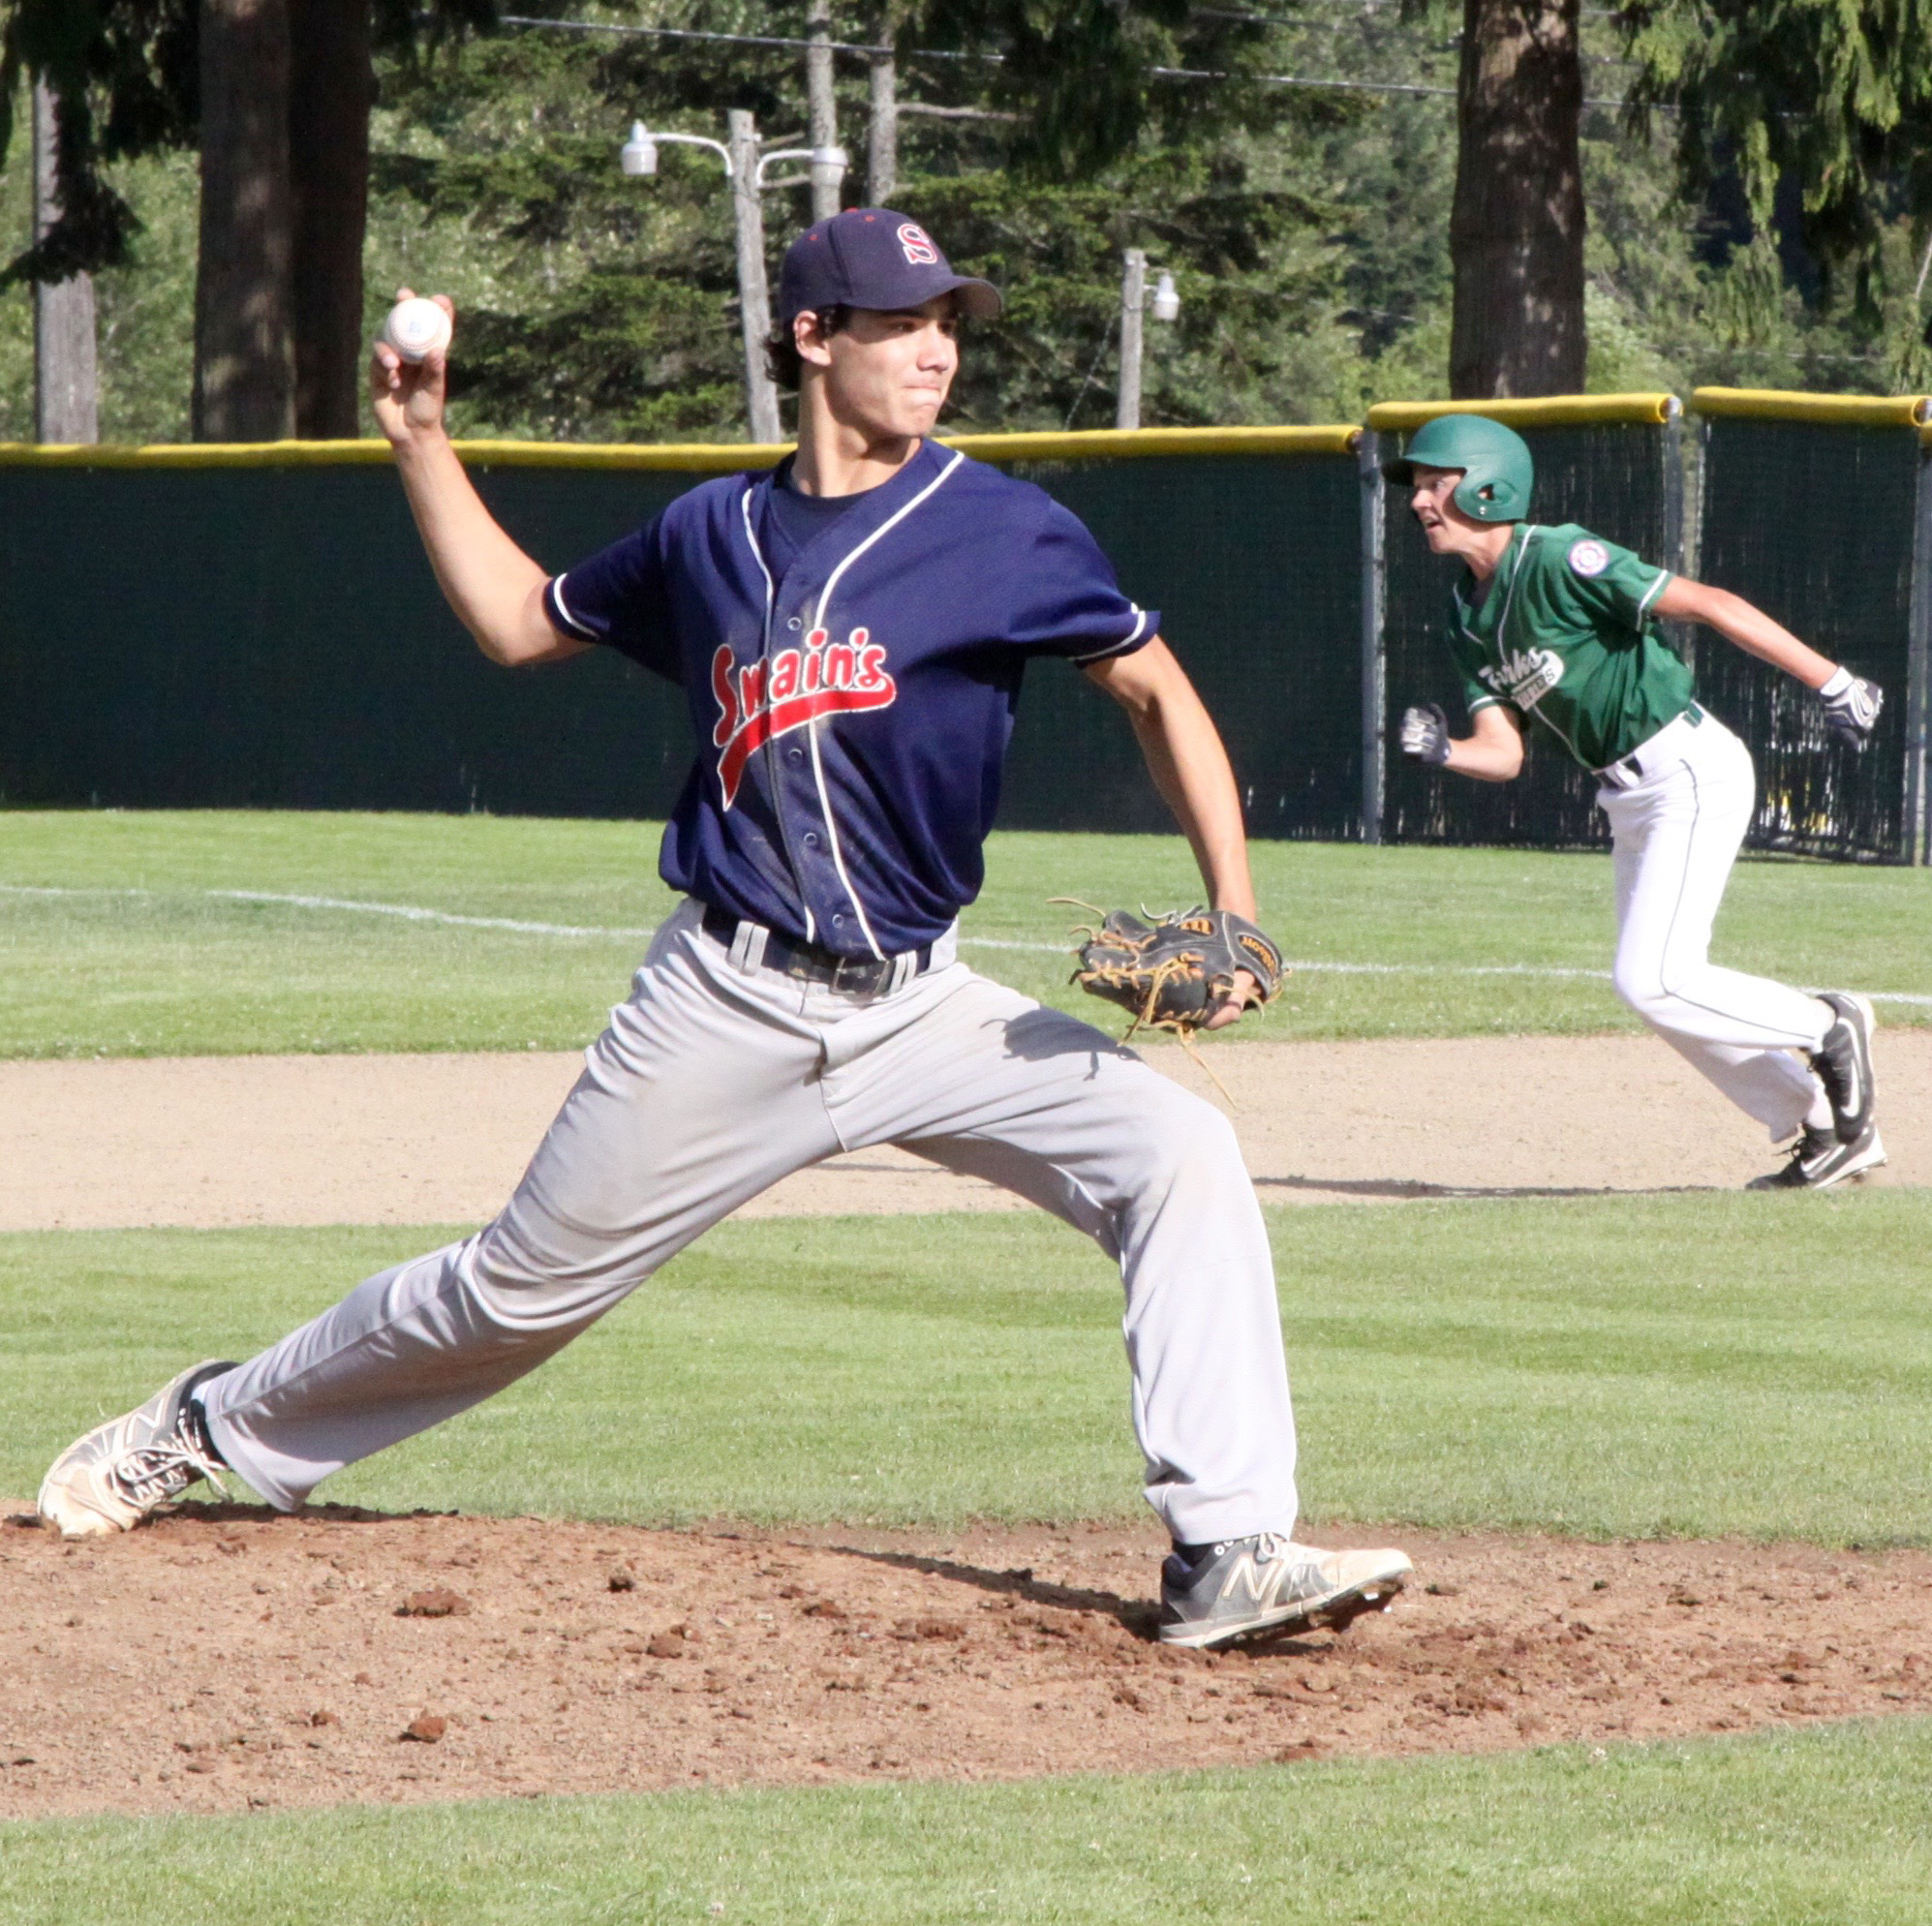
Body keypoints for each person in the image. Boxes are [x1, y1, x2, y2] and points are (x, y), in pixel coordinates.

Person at [40, 209, 1410, 1650]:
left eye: (947, 321)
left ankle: (1224, 1549)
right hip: (724, 1002)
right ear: (812, 338)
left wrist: (1234, 910)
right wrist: (420, 442)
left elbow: (1157, 693)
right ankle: (206, 1421)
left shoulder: (1006, 528)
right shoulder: (710, 533)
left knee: (1175, 1150)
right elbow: (517, 623)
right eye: (897, 323)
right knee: (510, 1295)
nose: (935, 348)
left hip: (925, 1012)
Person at [1387, 413, 1885, 1190]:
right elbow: (1506, 751)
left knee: (1649, 976)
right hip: (1627, 797)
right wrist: (1445, 750)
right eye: (1416, 487)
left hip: (1686, 767)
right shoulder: (1465, 613)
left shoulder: (1556, 556)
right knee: (1658, 990)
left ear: (1485, 484)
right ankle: (1819, 1126)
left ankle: (1827, 1023)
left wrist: (1833, 681)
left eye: (1432, 483)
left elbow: (1711, 602)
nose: (1417, 501)